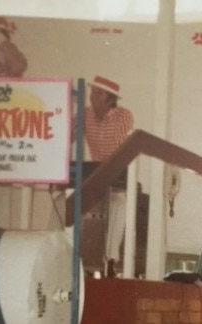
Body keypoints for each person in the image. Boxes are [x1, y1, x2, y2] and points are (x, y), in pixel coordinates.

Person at [78, 75, 134, 278]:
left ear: (110, 99)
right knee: (65, 201)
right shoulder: (85, 115)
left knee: (118, 202)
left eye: (98, 93)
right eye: (92, 91)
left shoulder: (123, 116)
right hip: (94, 175)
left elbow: (118, 149)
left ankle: (111, 259)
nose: (92, 96)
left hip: (116, 175)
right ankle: (73, 257)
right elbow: (66, 132)